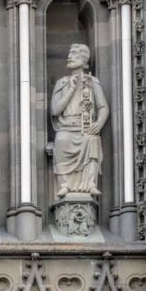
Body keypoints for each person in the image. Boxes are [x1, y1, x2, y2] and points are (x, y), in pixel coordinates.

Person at [50, 44, 109, 198]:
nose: (69, 56)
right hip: (66, 127)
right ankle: (65, 184)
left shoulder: (92, 81)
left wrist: (99, 123)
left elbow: (103, 107)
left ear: (84, 61)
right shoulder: (62, 83)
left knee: (93, 140)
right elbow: (55, 110)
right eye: (69, 53)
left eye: (75, 54)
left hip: (85, 126)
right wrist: (71, 89)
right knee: (61, 139)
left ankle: (90, 184)